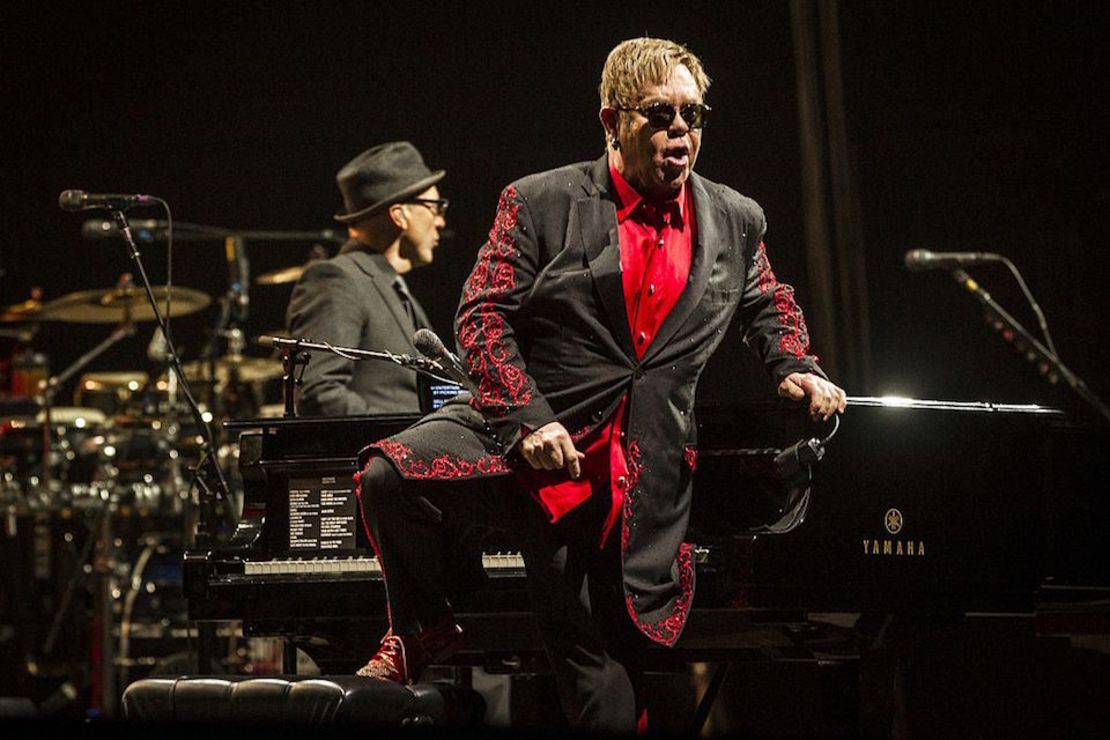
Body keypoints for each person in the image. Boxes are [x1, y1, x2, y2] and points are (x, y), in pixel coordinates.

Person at [355, 38, 847, 733]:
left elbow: (767, 303)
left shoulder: (735, 218)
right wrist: (528, 419)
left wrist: (796, 365)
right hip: (528, 439)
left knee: (607, 707)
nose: (681, 131)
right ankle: (425, 625)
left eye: (694, 115)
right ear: (612, 122)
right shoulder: (540, 201)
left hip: (628, 484)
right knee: (388, 478)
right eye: (660, 114)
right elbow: (481, 313)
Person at [286, 141, 449, 416]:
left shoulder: (394, 288)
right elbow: (318, 393)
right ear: (400, 215)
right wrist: (405, 440)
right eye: (436, 207)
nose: (441, 222)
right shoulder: (337, 279)